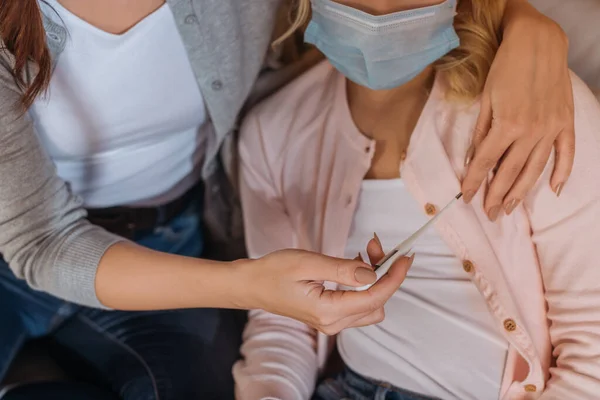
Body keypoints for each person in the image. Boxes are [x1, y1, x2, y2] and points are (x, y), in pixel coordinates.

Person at [0, 0, 578, 399]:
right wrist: (245, 283)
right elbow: (43, 241)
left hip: (172, 239)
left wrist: (529, 25)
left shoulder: (526, 122)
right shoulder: (279, 136)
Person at [233, 0, 600, 399]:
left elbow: (591, 349)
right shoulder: (273, 133)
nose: (380, 11)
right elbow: (282, 326)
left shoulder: (535, 114)